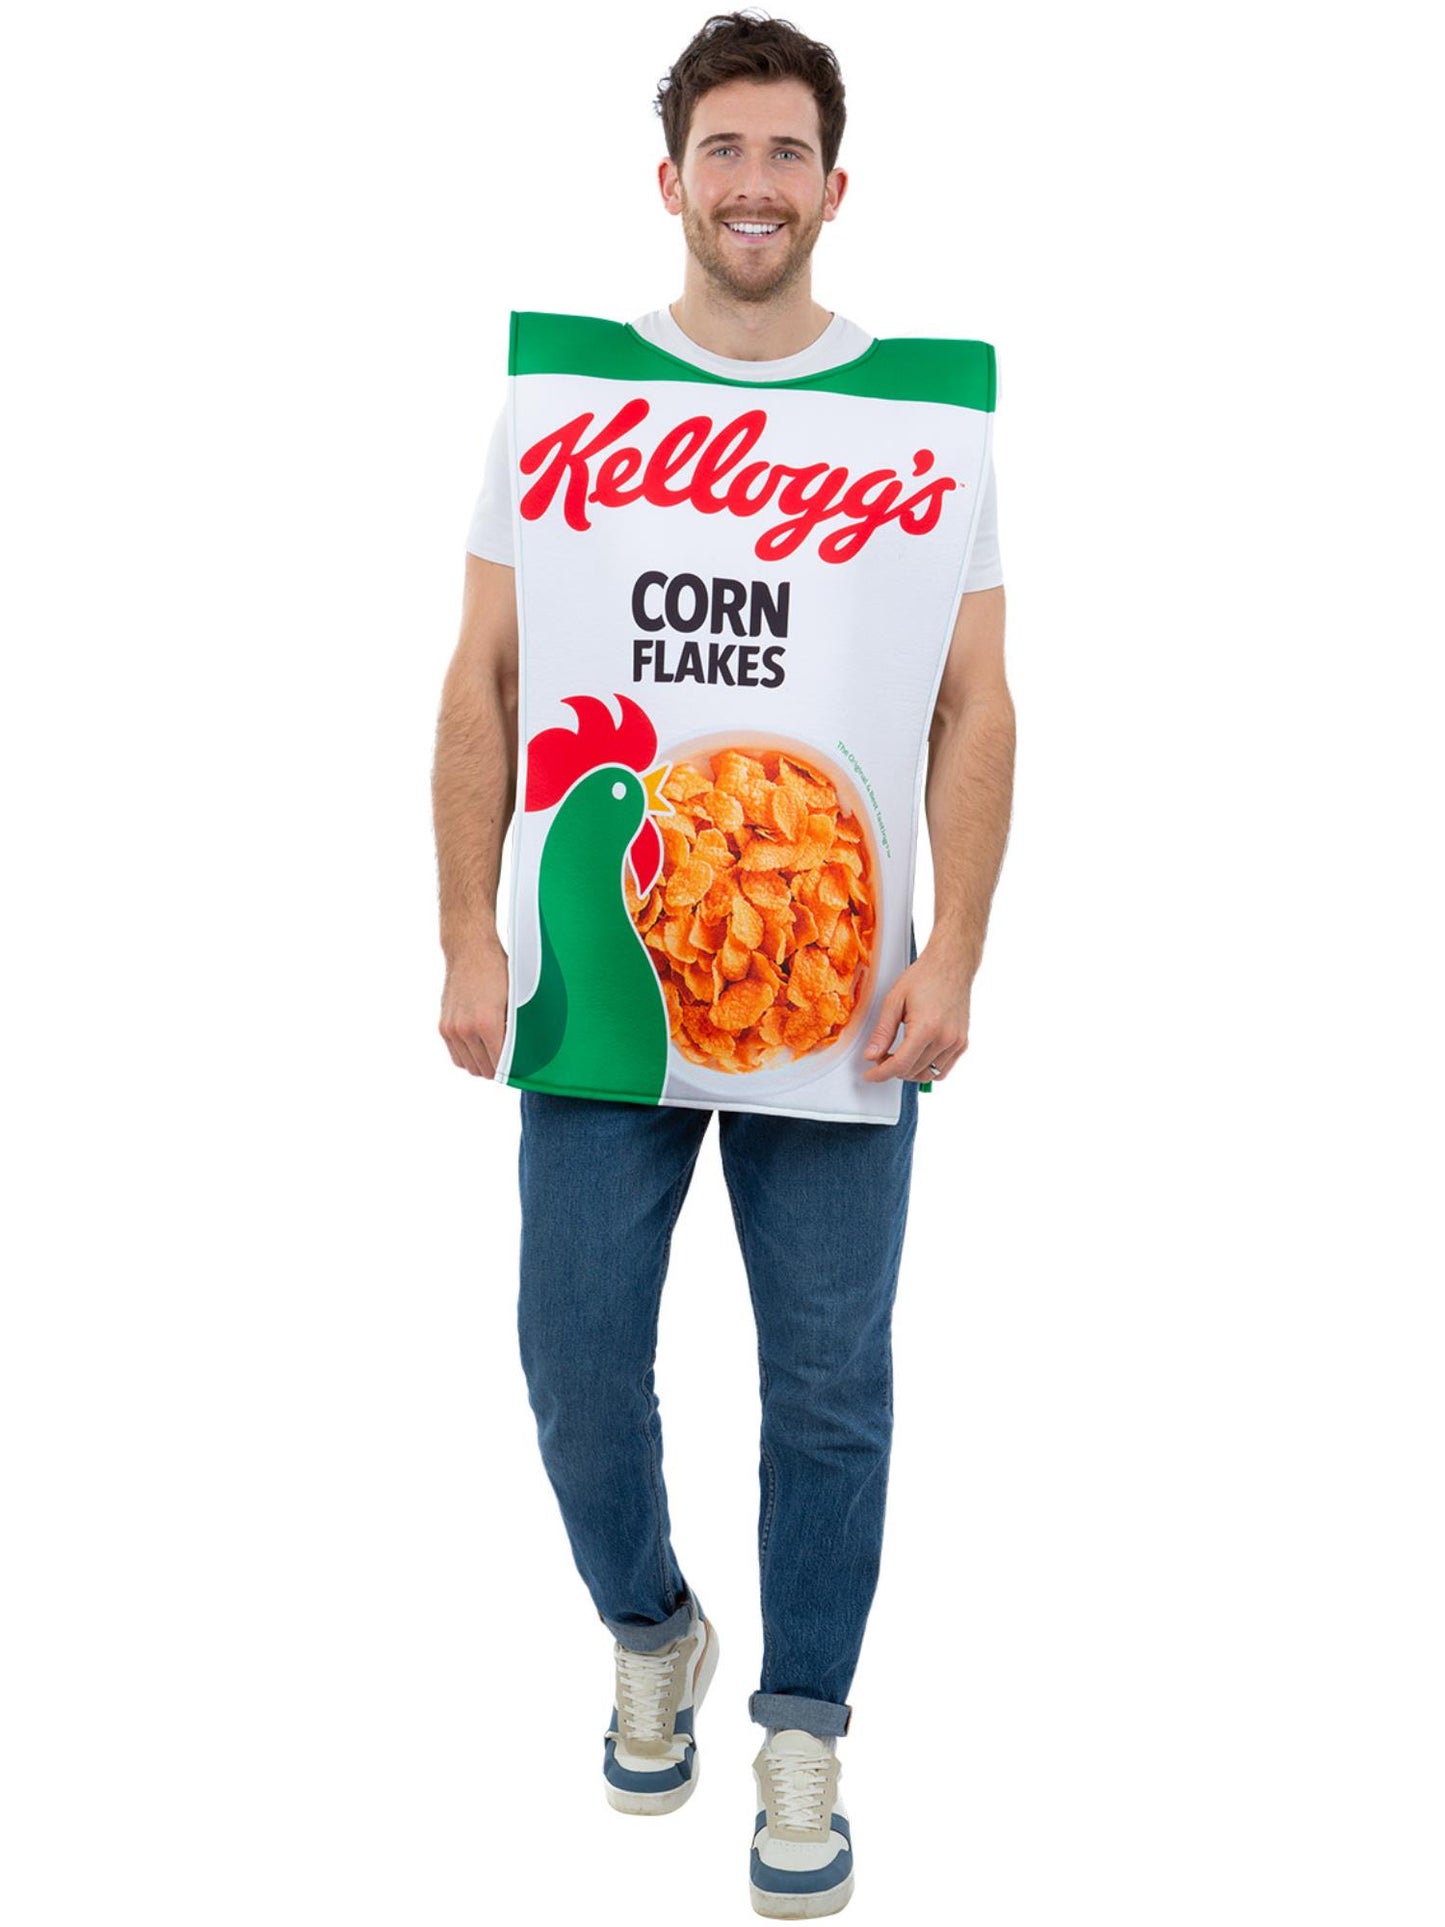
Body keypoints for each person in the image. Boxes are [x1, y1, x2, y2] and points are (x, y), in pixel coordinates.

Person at [431, 11, 1014, 1916]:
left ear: (835, 188)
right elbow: (486, 677)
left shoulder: (929, 416)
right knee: (572, 1358)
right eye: (722, 151)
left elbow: (976, 704)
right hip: (599, 984)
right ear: (668, 179)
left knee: (828, 1381)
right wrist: (465, 929)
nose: (752, 185)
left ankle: (803, 1727)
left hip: (843, 1004)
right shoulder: (559, 398)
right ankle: (649, 1624)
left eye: (785, 154)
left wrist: (956, 949)